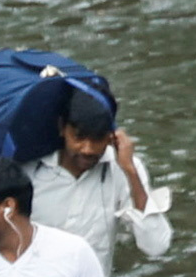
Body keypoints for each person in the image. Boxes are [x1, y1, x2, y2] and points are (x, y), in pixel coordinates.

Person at [30, 87, 173, 267]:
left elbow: (156, 246)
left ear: (111, 136)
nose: (88, 149)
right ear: (62, 128)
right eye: (79, 137)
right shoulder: (29, 168)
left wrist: (131, 173)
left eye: (97, 138)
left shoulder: (123, 168)